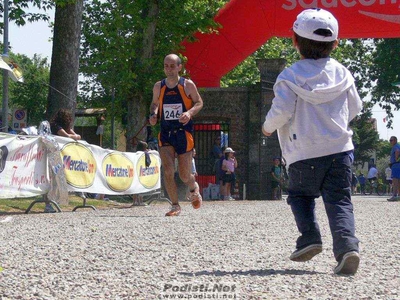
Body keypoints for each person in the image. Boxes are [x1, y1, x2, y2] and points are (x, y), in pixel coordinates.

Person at [262, 8, 362, 275]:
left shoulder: (290, 76)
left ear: (295, 40)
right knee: (340, 200)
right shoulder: (343, 73)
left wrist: (267, 127)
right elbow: (355, 107)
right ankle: (347, 248)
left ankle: (309, 238)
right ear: (336, 43)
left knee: (300, 196)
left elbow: (282, 111)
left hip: (302, 153)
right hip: (340, 150)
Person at [149, 53, 203, 216]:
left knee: (184, 175)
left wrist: (189, 113)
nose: (169, 69)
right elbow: (154, 104)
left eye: (172, 66)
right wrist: (153, 115)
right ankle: (175, 205)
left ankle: (193, 188)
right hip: (166, 133)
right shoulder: (159, 86)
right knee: (168, 171)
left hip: (183, 133)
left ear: (180, 67)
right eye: (166, 66)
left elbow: (199, 102)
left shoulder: (187, 85)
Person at [388, 136, 400, 201]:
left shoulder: (395, 146)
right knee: (398, 181)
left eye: (391, 140)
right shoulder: (398, 145)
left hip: (395, 165)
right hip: (398, 164)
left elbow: (397, 151)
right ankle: (398, 195)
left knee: (395, 181)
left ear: (395, 140)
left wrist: (396, 158)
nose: (390, 142)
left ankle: (394, 195)